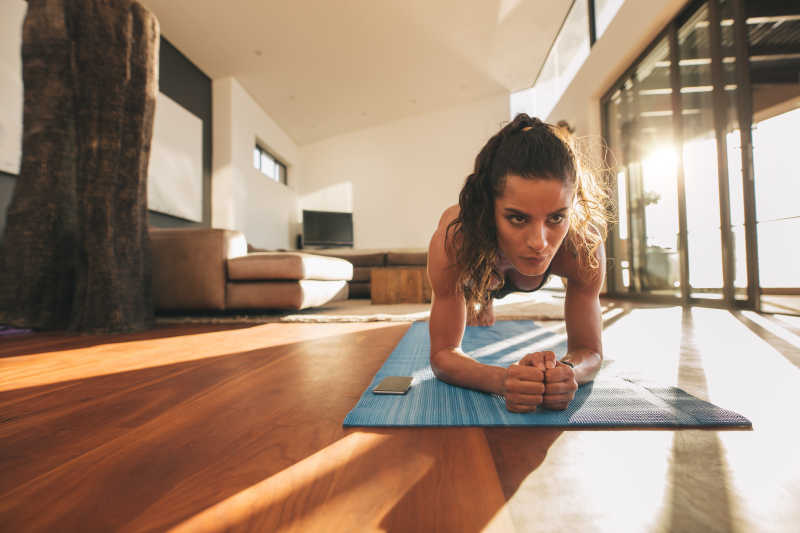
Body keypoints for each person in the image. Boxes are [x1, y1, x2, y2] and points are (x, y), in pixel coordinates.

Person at [426, 113, 609, 413]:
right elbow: (443, 354)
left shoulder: (582, 247)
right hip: (482, 263)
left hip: (510, 266)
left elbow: (590, 351)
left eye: (556, 218)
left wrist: (566, 373)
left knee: (517, 276)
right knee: (480, 293)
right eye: (518, 218)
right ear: (489, 208)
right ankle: (484, 296)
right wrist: (502, 379)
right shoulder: (456, 237)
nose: (539, 242)